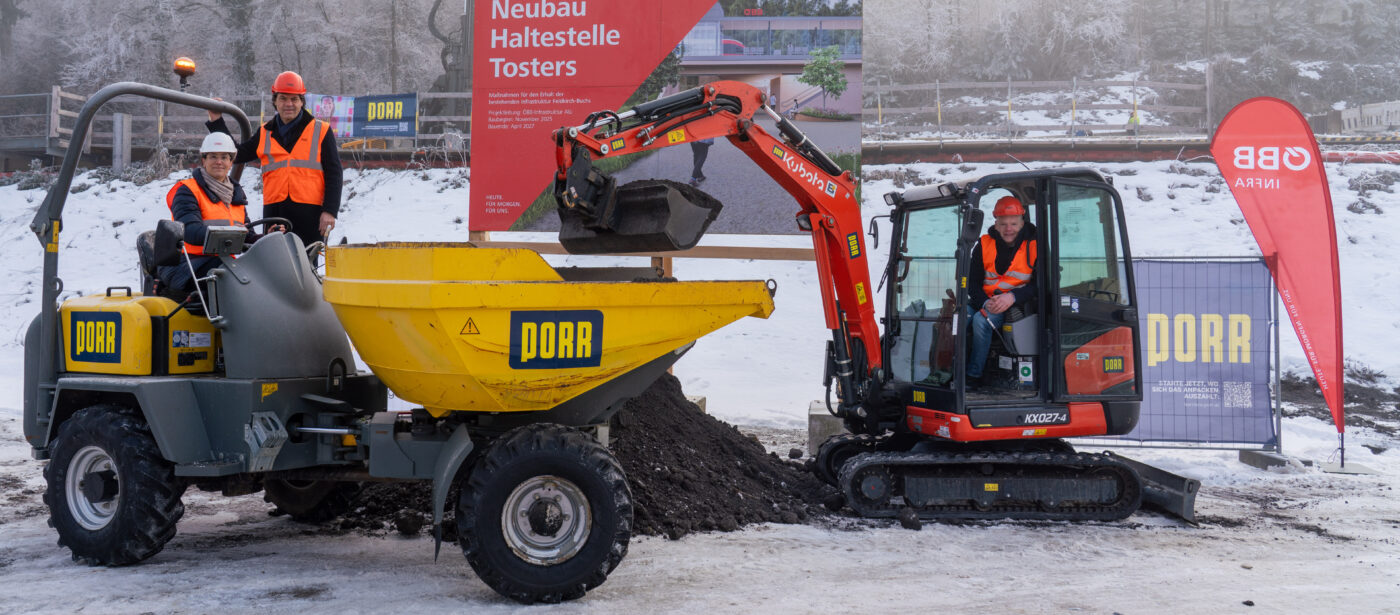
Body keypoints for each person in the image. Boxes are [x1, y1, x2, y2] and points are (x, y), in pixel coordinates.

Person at [206, 71, 342, 251]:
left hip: (310, 215)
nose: (289, 104)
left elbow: (334, 173)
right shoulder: (265, 132)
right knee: (274, 263)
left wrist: (330, 211)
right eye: (283, 98)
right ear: (275, 101)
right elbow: (235, 154)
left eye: (294, 99)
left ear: (302, 102)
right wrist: (216, 121)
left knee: (307, 266)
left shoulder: (321, 130)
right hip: (275, 212)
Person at [157, 133, 278, 294]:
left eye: (224, 157)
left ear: (231, 162)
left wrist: (265, 238)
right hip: (189, 264)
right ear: (204, 160)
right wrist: (231, 236)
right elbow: (190, 230)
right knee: (236, 280)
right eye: (213, 157)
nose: (219, 162)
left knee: (266, 275)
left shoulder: (236, 194)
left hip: (221, 261)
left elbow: (246, 234)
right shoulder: (187, 190)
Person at [966, 195, 1038, 389]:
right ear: (995, 223)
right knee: (957, 318)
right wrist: (983, 302)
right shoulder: (984, 244)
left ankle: (973, 376)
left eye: (1013, 223)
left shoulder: (1034, 245)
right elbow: (972, 282)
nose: (1008, 229)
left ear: (1022, 223)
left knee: (981, 322)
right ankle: (949, 371)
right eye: (1003, 224)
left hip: (1016, 305)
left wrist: (1012, 296)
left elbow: (1039, 285)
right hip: (984, 301)